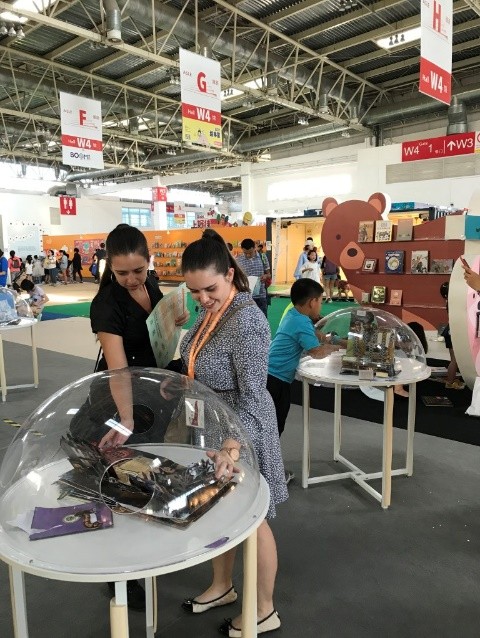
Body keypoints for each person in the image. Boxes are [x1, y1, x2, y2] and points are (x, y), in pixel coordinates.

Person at [180, 229, 287, 637]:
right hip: (212, 428)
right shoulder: (214, 312)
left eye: (209, 288)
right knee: (217, 509)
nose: (202, 298)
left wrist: (232, 445)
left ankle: (263, 609)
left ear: (229, 274)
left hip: (240, 432)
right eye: (195, 293)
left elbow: (253, 394)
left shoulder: (246, 321)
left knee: (251, 518)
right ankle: (223, 586)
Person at [89, 224, 189, 610]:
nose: (131, 280)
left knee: (147, 472)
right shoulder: (106, 305)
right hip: (119, 400)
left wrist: (174, 321)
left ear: (149, 261)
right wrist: (126, 420)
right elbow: (117, 368)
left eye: (138, 271)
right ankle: (118, 573)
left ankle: (144, 549)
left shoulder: (152, 285)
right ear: (109, 269)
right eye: (121, 273)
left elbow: (158, 331)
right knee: (117, 480)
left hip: (153, 393)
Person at [267, 279, 340, 447]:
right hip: (275, 380)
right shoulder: (301, 322)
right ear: (312, 302)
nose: (320, 306)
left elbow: (317, 335)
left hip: (272, 375)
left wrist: (336, 341)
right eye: (320, 301)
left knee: (272, 425)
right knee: (274, 426)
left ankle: (268, 467)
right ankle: (269, 470)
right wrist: (339, 350)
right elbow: (316, 352)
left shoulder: (295, 314)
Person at [235, 237, 271, 317]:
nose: (248, 255)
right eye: (245, 253)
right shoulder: (238, 260)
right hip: (245, 297)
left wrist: (265, 276)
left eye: (250, 253)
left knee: (263, 319)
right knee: (246, 321)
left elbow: (269, 274)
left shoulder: (263, 257)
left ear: (255, 248)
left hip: (261, 296)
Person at [439, 281, 465, 390]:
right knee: (455, 360)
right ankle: (450, 382)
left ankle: (451, 378)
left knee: (454, 359)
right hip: (452, 331)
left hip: (450, 331)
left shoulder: (449, 301)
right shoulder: (453, 302)